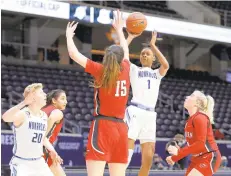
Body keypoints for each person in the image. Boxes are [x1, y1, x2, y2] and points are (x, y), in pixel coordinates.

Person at [66, 10, 130, 176]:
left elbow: (74, 54)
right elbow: (126, 50)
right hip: (122, 129)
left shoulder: (100, 70)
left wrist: (68, 37)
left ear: (106, 56)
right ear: (121, 58)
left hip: (103, 127)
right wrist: (119, 30)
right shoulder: (126, 68)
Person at [125, 31, 169, 176]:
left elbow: (166, 65)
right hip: (135, 111)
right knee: (126, 157)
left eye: (147, 54)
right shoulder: (134, 70)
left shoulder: (157, 73)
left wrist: (153, 45)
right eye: (142, 53)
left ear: (153, 58)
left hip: (150, 115)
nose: (144, 55)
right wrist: (129, 38)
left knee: (148, 159)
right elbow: (122, 55)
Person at [2, 83, 62, 176]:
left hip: (39, 162)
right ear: (32, 96)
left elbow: (43, 138)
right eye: (41, 92)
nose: (45, 95)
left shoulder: (44, 116)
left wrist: (52, 150)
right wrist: (24, 102)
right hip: (22, 163)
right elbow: (5, 118)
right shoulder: (23, 114)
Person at [166, 90, 221, 176]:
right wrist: (176, 154)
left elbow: (200, 144)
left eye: (191, 96)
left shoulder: (200, 118)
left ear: (197, 103)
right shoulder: (189, 121)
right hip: (197, 158)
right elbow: (193, 146)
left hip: (209, 157)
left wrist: (178, 155)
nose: (187, 97)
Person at [42, 89, 67, 176]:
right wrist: (42, 136)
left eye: (66, 99)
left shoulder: (42, 110)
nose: (66, 102)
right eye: (63, 98)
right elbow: (52, 118)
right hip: (45, 149)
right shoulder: (57, 112)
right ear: (53, 100)